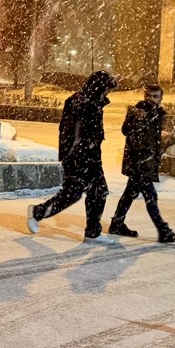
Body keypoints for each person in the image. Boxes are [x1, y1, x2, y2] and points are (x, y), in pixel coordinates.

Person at [27, 70, 118, 244]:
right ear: (98, 87)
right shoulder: (82, 103)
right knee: (73, 193)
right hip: (78, 157)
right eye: (107, 89)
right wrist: (75, 155)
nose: (108, 93)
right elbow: (72, 133)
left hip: (90, 157)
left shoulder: (93, 101)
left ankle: (93, 232)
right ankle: (37, 212)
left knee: (99, 191)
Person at [109, 84, 175, 243]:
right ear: (145, 96)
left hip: (147, 162)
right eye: (149, 96)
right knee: (150, 196)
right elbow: (127, 131)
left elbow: (153, 139)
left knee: (129, 195)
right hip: (139, 163)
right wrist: (138, 120)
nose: (151, 99)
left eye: (155, 96)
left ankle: (117, 223)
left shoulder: (157, 113)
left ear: (160, 99)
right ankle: (163, 230)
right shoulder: (138, 112)